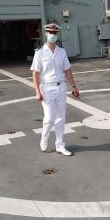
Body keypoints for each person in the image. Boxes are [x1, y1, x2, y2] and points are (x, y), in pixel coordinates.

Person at [30, 23, 80, 156]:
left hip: (60, 87)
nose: (52, 35)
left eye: (55, 33)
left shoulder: (61, 51)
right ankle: (44, 137)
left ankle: (60, 145)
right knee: (50, 118)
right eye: (50, 32)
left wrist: (73, 86)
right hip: (46, 88)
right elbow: (35, 73)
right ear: (46, 34)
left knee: (60, 119)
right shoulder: (40, 52)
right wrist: (37, 91)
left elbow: (67, 70)